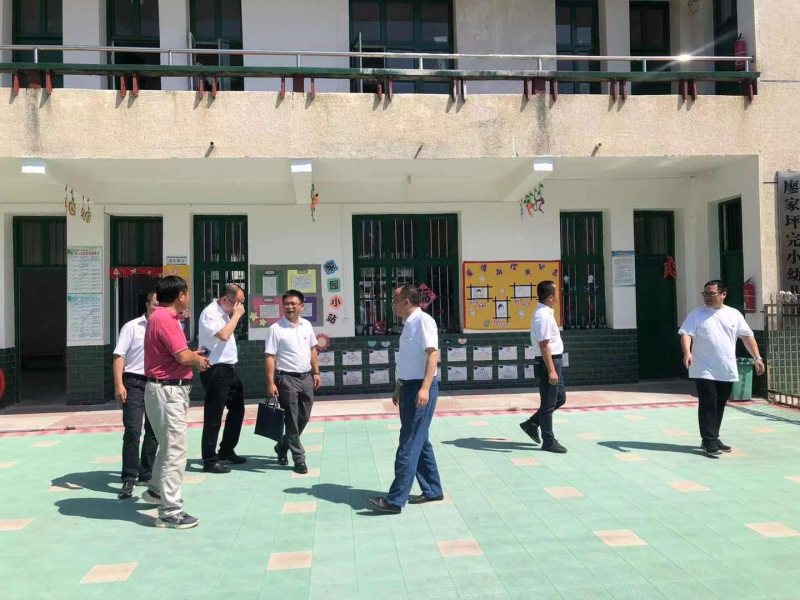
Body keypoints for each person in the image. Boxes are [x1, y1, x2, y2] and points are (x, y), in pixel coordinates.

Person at [142, 275, 211, 529]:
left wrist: (192, 355)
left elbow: (176, 353)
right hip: (169, 391)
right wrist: (197, 360)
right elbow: (182, 356)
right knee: (176, 450)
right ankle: (170, 511)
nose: (188, 297)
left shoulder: (158, 317)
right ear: (181, 295)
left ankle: (155, 490)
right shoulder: (166, 319)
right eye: (187, 293)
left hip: (162, 390)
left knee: (168, 444)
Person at [368, 285, 443, 514]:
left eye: (395, 300)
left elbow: (433, 354)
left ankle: (395, 500)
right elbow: (408, 360)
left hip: (420, 388)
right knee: (420, 441)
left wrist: (425, 388)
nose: (393, 305)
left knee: (409, 443)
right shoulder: (409, 324)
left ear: (407, 301)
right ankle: (433, 489)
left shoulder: (423, 321)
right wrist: (398, 386)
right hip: (408, 387)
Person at [679, 280, 765, 456]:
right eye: (705, 293)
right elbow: (686, 334)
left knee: (719, 404)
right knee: (708, 403)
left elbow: (747, 337)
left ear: (723, 294)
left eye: (712, 293)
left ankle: (713, 437)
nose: (707, 297)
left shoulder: (734, 314)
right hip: (703, 367)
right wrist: (687, 352)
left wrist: (757, 358)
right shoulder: (696, 314)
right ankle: (709, 441)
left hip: (726, 367)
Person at [265, 290, 321, 474]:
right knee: (291, 420)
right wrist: (271, 383)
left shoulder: (307, 325)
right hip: (286, 379)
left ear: (301, 306)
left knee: (303, 417)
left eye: (293, 304)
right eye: (286, 304)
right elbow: (270, 357)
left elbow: (313, 349)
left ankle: (282, 445)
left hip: (306, 377)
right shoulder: (276, 329)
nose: (289, 307)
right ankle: (299, 458)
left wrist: (316, 372)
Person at [112, 290, 159, 500]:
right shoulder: (132, 327)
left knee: (154, 430)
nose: (157, 308)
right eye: (155, 304)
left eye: (161, 304)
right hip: (134, 383)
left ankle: (146, 473)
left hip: (156, 383)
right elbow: (119, 355)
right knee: (133, 429)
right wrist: (119, 384)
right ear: (147, 304)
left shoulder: (167, 326)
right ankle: (129, 477)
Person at [198, 284, 247, 474]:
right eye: (238, 303)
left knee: (237, 409)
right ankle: (209, 459)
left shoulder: (225, 313)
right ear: (226, 299)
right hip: (215, 370)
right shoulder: (210, 313)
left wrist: (233, 314)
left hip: (229, 369)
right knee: (214, 415)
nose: (240, 307)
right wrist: (236, 316)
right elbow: (223, 335)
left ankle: (226, 449)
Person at [520, 280, 568, 454]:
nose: (558, 295)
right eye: (556, 292)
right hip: (548, 362)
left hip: (553, 360)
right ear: (550, 297)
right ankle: (548, 440)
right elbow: (544, 345)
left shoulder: (546, 313)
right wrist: (551, 370)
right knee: (548, 403)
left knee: (560, 398)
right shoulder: (543, 316)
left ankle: (532, 423)